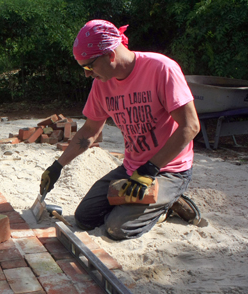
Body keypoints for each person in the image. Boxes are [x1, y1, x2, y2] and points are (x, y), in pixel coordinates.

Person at [39, 19, 201, 240]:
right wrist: (57, 166)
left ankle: (167, 204)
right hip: (131, 168)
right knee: (85, 218)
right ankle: (148, 203)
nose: (87, 74)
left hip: (168, 169)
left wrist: (150, 169)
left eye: (89, 66)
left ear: (110, 55)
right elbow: (89, 130)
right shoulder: (102, 84)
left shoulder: (161, 69)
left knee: (117, 228)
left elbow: (190, 126)